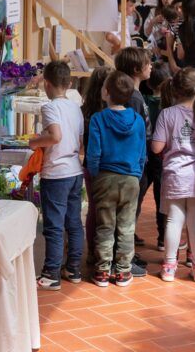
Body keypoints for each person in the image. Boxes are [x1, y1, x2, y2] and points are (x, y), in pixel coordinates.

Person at [86, 71, 147, 287]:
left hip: (105, 177)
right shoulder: (138, 120)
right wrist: (137, 174)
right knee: (127, 226)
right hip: (131, 178)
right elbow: (142, 153)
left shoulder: (98, 118)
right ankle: (123, 271)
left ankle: (102, 270)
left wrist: (95, 174)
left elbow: (93, 152)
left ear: (106, 92)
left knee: (105, 225)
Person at [151, 68, 195, 282]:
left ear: (175, 89)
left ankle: (169, 267)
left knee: (174, 220)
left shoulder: (167, 114)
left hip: (175, 174)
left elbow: (157, 147)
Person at [30, 61, 85, 290]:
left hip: (56, 173)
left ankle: (51, 273)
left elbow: (55, 136)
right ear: (69, 83)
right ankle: (73, 268)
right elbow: (79, 142)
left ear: (47, 83)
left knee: (53, 225)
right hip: (74, 170)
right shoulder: (76, 107)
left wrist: (34, 142)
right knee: (73, 223)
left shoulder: (49, 107)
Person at [114, 48, 152, 254]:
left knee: (131, 209)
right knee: (129, 210)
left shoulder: (135, 95)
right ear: (137, 69)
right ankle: (124, 254)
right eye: (148, 63)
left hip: (135, 160)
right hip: (134, 163)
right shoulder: (133, 99)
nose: (151, 66)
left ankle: (126, 248)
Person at [80, 65, 114, 263]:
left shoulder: (84, 111)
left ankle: (93, 250)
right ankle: (106, 252)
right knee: (109, 211)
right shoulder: (112, 112)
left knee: (94, 209)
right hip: (111, 166)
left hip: (90, 167)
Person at [142, 61, 171, 251]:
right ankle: (162, 237)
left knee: (138, 194)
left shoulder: (141, 100)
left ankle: (129, 231)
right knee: (162, 198)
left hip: (144, 151)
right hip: (161, 154)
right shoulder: (168, 104)